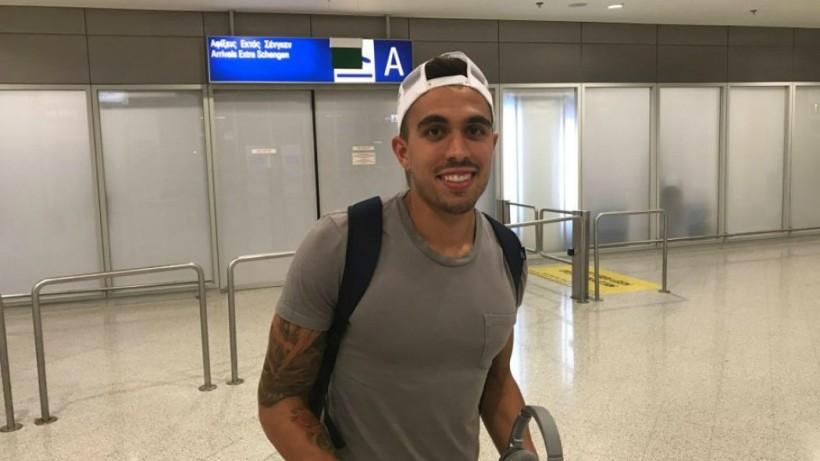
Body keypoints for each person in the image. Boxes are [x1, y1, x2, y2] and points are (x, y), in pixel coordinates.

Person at [258, 51, 534, 460]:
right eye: (435, 131)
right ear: (403, 151)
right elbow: (280, 401)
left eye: (474, 130)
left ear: (492, 145)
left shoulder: (508, 255)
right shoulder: (341, 244)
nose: (457, 150)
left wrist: (524, 453)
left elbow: (496, 382)